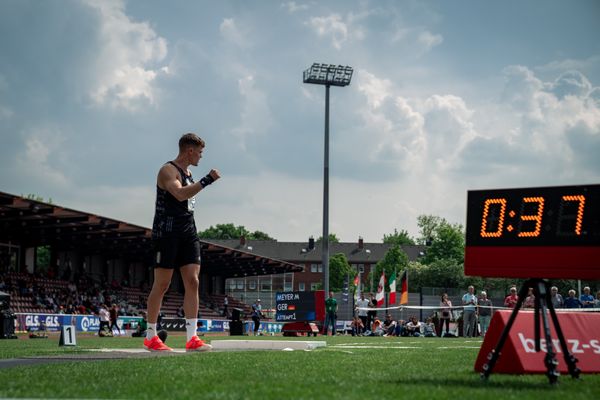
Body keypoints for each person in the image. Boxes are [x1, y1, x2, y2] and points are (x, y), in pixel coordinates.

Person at [145, 133, 220, 352]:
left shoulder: (188, 174)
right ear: (189, 151)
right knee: (162, 284)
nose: (200, 156)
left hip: (188, 233)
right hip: (166, 234)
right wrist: (206, 180)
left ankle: (192, 337)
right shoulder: (168, 170)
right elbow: (178, 194)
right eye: (199, 152)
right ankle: (150, 336)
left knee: (193, 282)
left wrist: (200, 181)